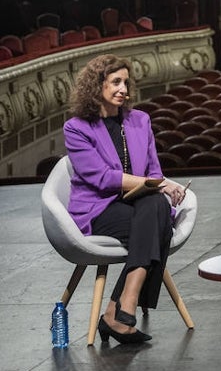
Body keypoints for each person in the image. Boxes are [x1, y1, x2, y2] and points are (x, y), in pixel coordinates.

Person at [63, 54, 189, 344]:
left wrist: (157, 184)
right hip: (98, 207)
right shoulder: (77, 128)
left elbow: (154, 169)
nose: (124, 89)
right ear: (96, 86)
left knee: (155, 205)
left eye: (126, 82)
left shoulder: (140, 120)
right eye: (115, 82)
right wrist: (155, 184)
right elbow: (101, 177)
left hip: (138, 204)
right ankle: (122, 307)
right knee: (158, 224)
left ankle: (117, 310)